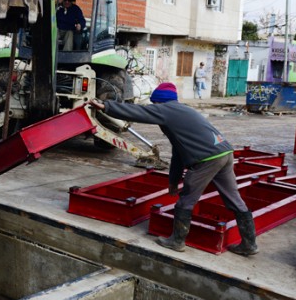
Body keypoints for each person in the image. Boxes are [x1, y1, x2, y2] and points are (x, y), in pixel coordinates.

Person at [89, 82, 259, 256]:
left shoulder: (166, 110)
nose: (154, 108)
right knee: (234, 199)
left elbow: (140, 112)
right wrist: (173, 181)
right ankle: (249, 244)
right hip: (225, 153)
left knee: (186, 199)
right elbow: (179, 152)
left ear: (159, 102)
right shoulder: (183, 111)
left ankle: (177, 241)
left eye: (155, 104)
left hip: (207, 159)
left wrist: (105, 106)